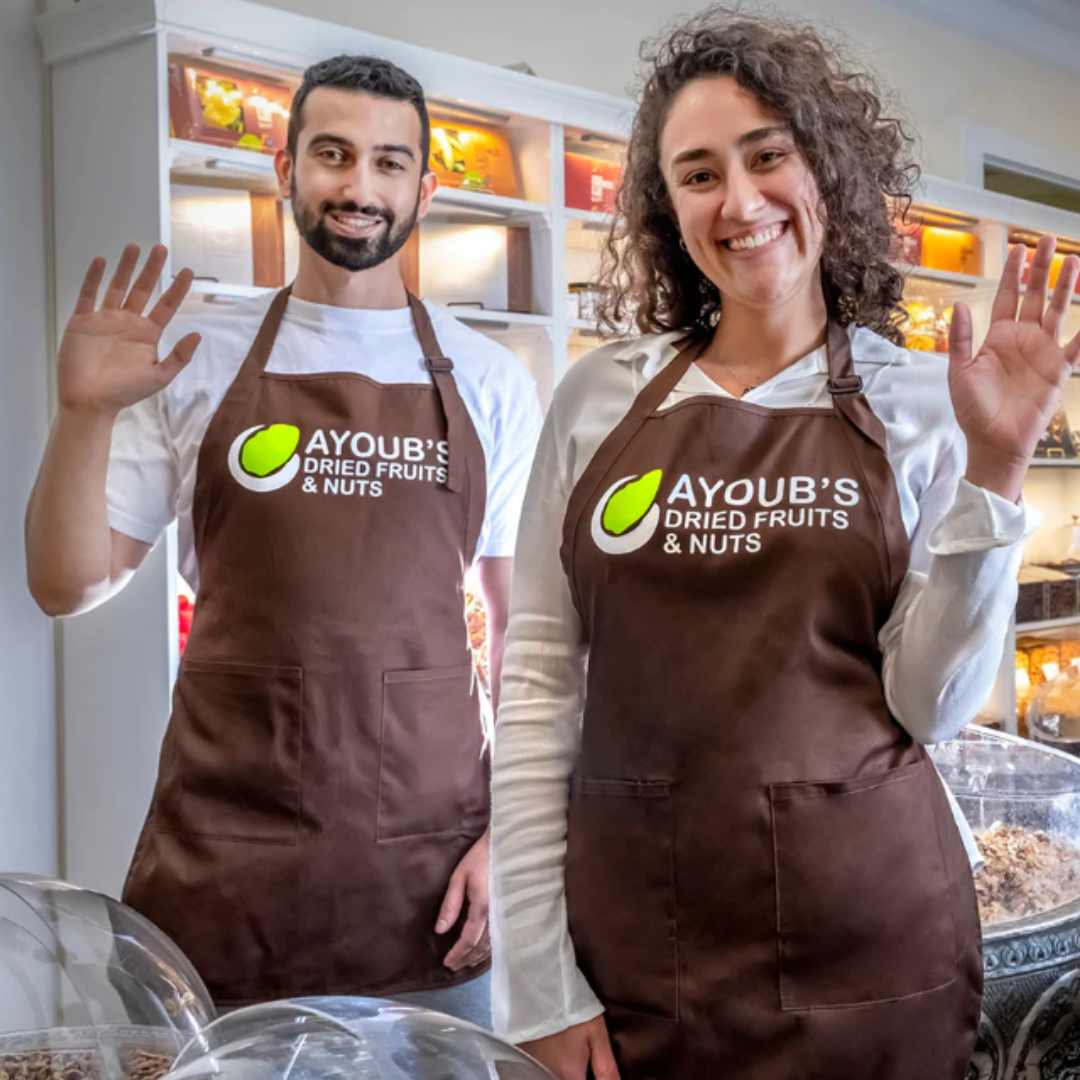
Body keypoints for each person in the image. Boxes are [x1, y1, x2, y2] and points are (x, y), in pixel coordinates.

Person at [489, 8, 1080, 1078]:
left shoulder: (920, 401)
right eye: (699, 173)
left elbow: (931, 706)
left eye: (769, 157)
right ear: (669, 211)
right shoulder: (598, 399)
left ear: (828, 175)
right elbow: (535, 685)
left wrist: (993, 474)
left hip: (870, 943)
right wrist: (534, 976)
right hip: (636, 946)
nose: (742, 201)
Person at [25, 54, 544, 1027]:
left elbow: (528, 637)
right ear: (284, 167)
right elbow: (64, 583)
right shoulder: (196, 360)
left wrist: (508, 839)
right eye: (333, 155)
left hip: (431, 884)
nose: (359, 186)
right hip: (226, 873)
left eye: (390, 163)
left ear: (425, 188)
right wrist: (82, 416)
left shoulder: (488, 381)